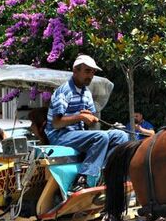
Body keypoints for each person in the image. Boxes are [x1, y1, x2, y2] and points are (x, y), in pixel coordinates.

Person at [46, 54, 129, 193]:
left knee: (121, 136)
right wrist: (80, 117)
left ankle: (105, 173)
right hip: (60, 135)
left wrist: (90, 118)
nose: (90, 75)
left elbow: (89, 123)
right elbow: (56, 123)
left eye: (92, 72)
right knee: (101, 137)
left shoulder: (86, 93)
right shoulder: (64, 91)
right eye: (87, 71)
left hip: (77, 134)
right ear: (75, 71)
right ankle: (83, 179)